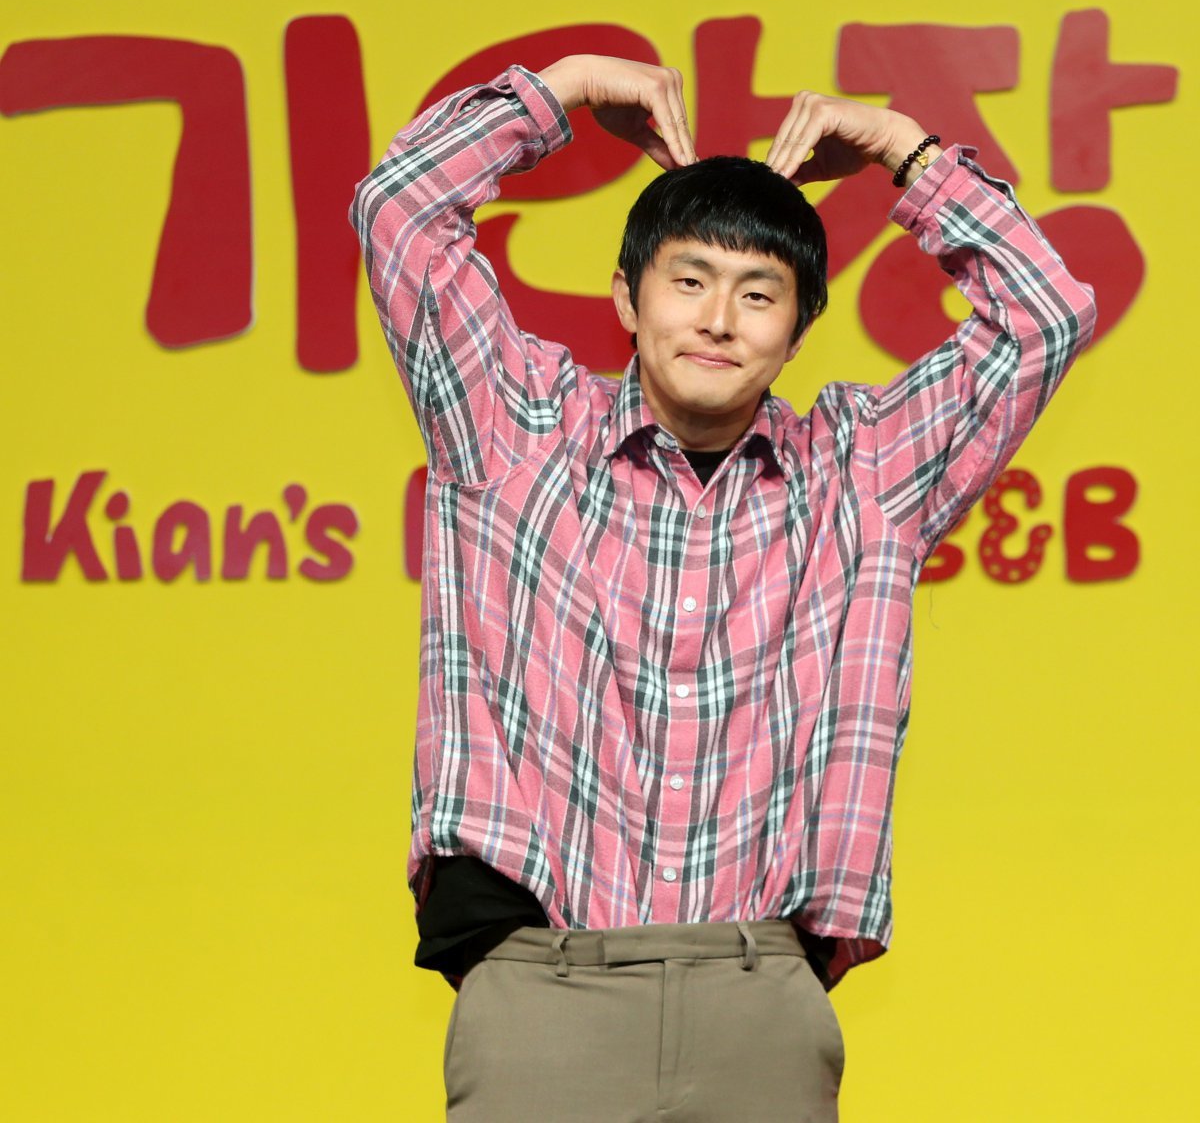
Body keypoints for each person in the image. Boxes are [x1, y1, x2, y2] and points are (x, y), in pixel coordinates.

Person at [350, 55, 1096, 1121]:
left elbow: (1044, 316)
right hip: (540, 984)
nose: (718, 320)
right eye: (689, 281)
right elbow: (401, 209)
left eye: (758, 295)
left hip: (758, 991)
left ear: (796, 330)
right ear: (627, 296)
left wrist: (903, 149)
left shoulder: (860, 472)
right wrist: (564, 86)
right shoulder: (515, 426)